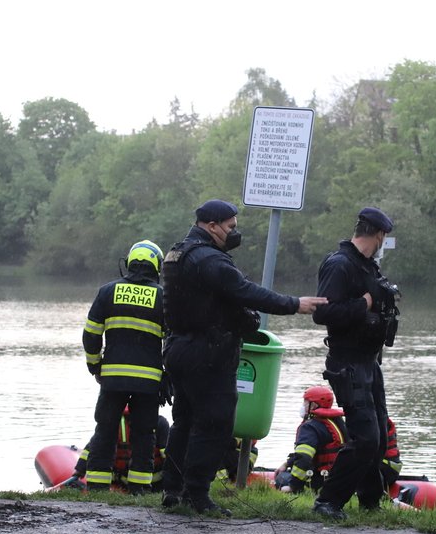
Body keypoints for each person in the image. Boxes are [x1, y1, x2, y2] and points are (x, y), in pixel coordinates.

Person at [160, 199, 326, 515]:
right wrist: (294, 304)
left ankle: (172, 489)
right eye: (230, 226)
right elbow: (247, 291)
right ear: (211, 225)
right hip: (208, 353)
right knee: (216, 423)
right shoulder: (210, 260)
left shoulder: (176, 254)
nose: (235, 232)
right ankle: (197, 495)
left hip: (179, 349)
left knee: (184, 421)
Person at [310, 207, 399, 520]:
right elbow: (322, 312)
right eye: (383, 239)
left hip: (368, 361)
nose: (382, 244)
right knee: (365, 438)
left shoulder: (367, 267)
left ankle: (370, 503)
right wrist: (365, 303)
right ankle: (328, 501)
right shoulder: (340, 264)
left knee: (379, 439)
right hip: (347, 361)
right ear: (377, 235)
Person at [78, 240, 166, 495]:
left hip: (112, 377)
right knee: (144, 433)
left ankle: (96, 486)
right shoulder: (162, 297)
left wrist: (95, 365)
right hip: (149, 381)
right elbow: (171, 340)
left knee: (105, 430)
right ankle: (139, 488)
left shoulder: (107, 292)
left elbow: (91, 335)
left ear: (128, 263)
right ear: (156, 266)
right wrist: (167, 376)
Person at [68, 413, 170, 490]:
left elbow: (92, 448)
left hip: (150, 483)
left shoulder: (110, 422)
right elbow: (169, 456)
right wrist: (79, 470)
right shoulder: (158, 422)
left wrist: (79, 470)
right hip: (135, 483)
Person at [275, 386, 348, 493]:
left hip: (319, 480)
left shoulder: (309, 427)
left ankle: (300, 490)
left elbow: (304, 457)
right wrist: (287, 463)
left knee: (281, 477)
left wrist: (293, 486)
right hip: (339, 478)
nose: (303, 406)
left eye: (305, 402)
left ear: (313, 405)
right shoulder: (338, 422)